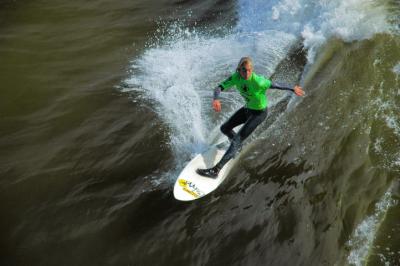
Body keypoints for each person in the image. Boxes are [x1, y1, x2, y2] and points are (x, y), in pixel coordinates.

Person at [196, 56, 305, 178]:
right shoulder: (235, 78)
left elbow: (275, 84)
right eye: (243, 70)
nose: (246, 73)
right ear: (239, 70)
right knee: (224, 128)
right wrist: (216, 99)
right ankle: (236, 146)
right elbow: (219, 87)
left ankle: (215, 171)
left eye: (249, 70)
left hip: (259, 113)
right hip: (247, 109)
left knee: (237, 140)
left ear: (252, 70)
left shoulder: (258, 81)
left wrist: (292, 88)